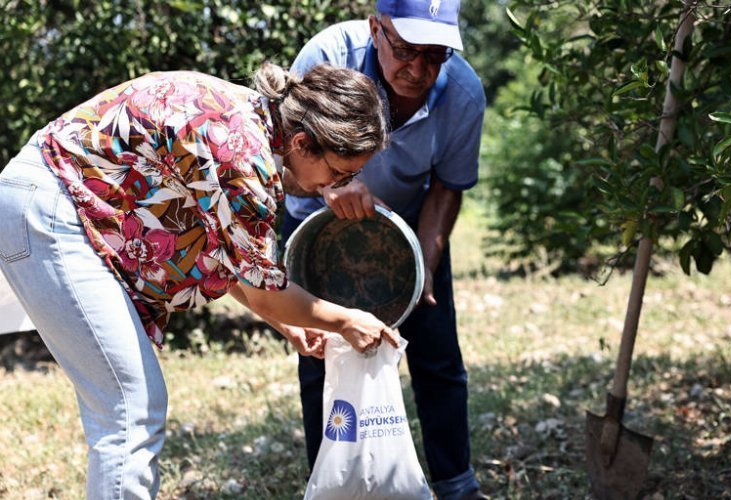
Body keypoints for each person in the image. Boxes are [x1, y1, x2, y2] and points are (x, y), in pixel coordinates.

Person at [0, 62, 397, 498]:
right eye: (340, 173)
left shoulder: (246, 118)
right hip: (52, 214)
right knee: (131, 409)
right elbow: (267, 294)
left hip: (45, 201)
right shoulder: (243, 158)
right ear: (302, 144)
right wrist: (345, 321)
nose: (337, 186)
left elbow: (229, 254)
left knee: (128, 406)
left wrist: (291, 324)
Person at [281, 1, 487, 499]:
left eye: (435, 55)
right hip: (317, 218)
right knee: (324, 349)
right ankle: (332, 481)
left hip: (409, 225)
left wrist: (427, 267)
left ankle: (457, 484)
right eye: (406, 50)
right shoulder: (327, 57)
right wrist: (334, 186)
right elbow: (290, 155)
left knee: (437, 350)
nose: (418, 70)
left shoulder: (462, 94)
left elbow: (447, 186)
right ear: (377, 28)